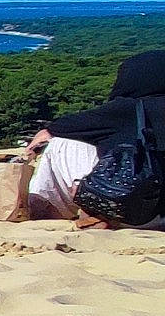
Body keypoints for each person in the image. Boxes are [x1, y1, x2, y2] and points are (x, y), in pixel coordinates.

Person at [24, 50, 165, 227]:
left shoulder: (128, 109)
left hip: (135, 213)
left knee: (62, 143)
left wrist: (47, 132)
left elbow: (65, 126)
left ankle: (49, 208)